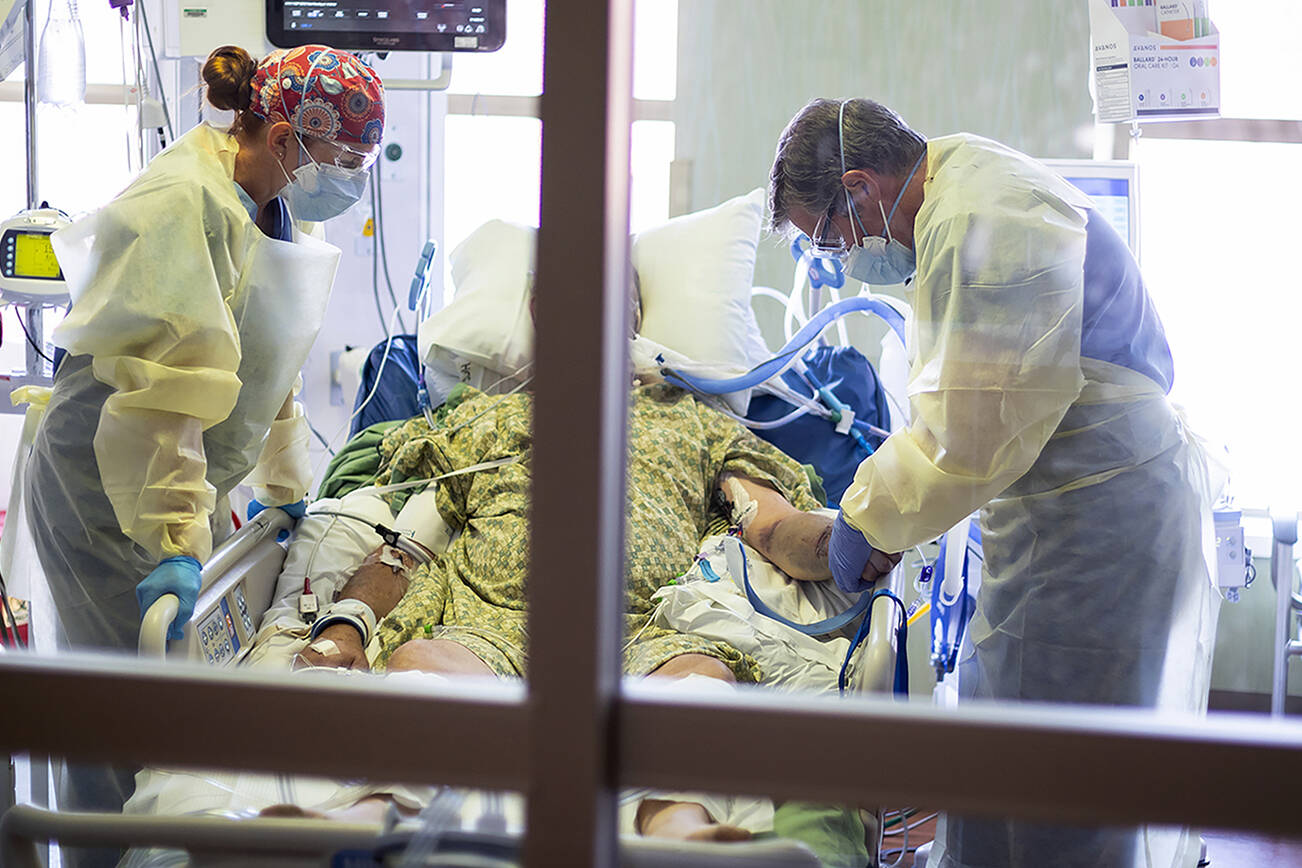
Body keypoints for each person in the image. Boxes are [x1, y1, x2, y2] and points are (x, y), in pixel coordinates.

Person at [768, 97, 1219, 868]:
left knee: (1063, 782)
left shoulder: (982, 219)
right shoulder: (961, 184)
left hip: (1100, 522)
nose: (840, 261)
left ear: (859, 187)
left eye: (828, 240)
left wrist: (862, 521)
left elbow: (964, 432)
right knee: (1021, 762)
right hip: (1077, 506)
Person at [19, 42, 384, 864]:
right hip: (104, 478)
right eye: (346, 157)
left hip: (167, 470)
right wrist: (181, 543)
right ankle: (109, 856)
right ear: (286, 137)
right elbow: (162, 399)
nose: (353, 177)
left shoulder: (270, 203)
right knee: (118, 723)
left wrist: (284, 485)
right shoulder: (184, 203)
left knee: (165, 709)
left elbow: (268, 363)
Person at [295, 379, 897, 843]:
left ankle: (679, 830)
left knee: (698, 681)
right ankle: (374, 817)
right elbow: (406, 545)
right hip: (495, 618)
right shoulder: (491, 416)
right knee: (423, 668)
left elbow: (769, 525)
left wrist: (839, 542)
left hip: (644, 628)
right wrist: (344, 624)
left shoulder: (690, 420)